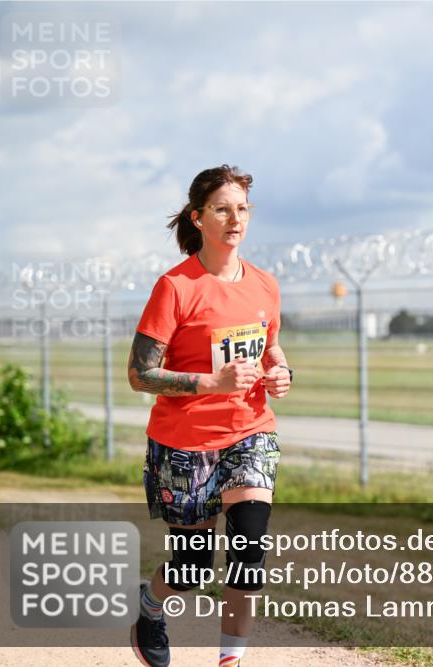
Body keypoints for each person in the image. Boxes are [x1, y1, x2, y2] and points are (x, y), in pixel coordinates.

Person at [128, 164, 293, 667]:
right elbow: (140, 374)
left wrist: (281, 370)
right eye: (222, 209)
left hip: (249, 431)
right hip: (185, 442)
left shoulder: (264, 285)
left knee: (249, 550)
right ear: (198, 218)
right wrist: (209, 383)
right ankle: (150, 607)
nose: (235, 219)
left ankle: (229, 661)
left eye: (242, 209)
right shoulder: (176, 287)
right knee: (192, 568)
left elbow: (270, 346)